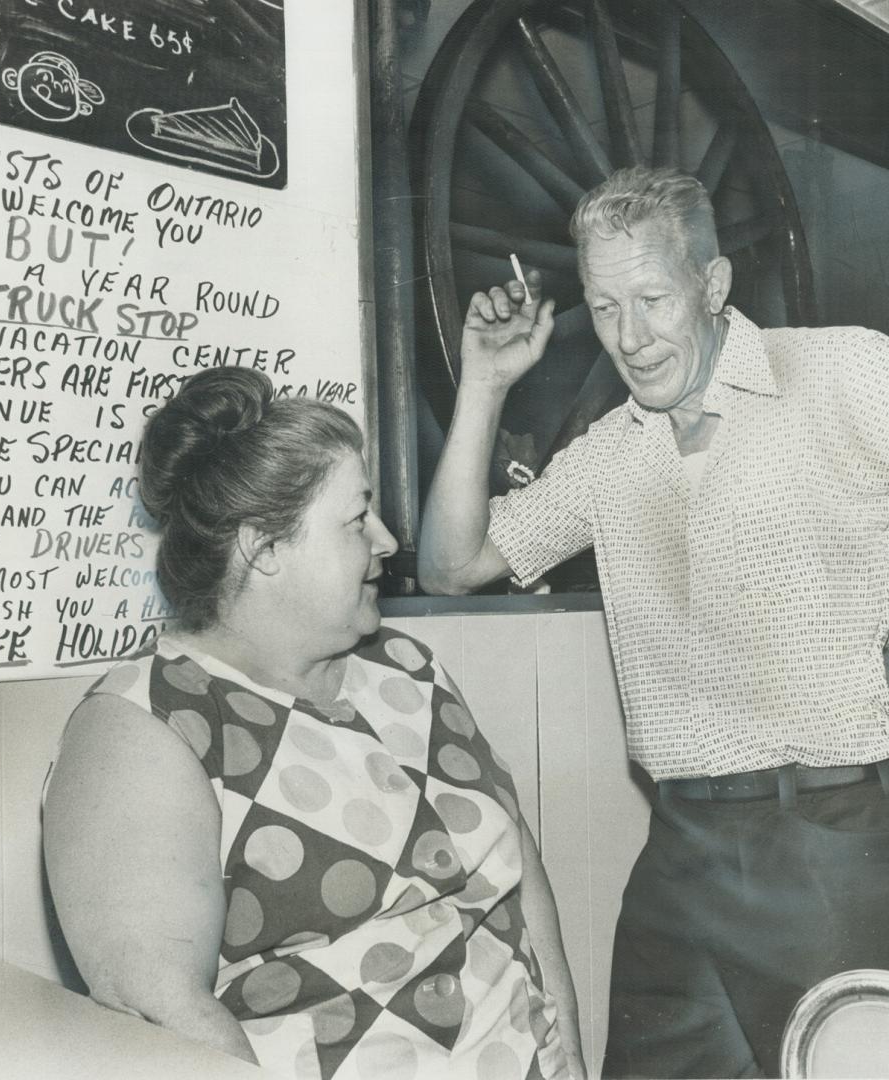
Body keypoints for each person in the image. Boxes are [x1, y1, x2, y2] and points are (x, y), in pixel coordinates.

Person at [419, 165, 889, 1078]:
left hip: (836, 843)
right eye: (603, 308)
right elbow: (454, 563)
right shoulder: (611, 451)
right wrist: (484, 386)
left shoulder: (836, 372)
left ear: (712, 287)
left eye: (652, 299)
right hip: (679, 850)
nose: (630, 339)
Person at [43, 367, 585, 1080]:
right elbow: (165, 1016)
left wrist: (570, 1056)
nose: (389, 542)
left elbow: (519, 870)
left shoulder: (407, 667)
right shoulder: (142, 727)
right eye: (358, 519)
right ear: (262, 551)